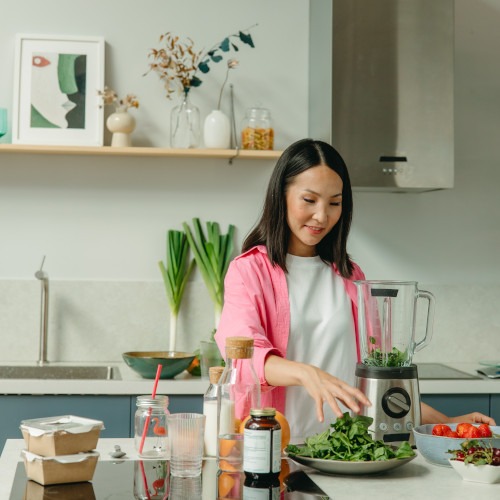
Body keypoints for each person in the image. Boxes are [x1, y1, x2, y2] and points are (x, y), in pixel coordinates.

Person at [215, 138, 495, 439]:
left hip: (346, 452)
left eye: (334, 203)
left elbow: (376, 384)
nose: (322, 216)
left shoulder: (349, 275)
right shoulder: (248, 271)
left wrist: (448, 424)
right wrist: (307, 374)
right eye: (309, 200)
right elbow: (243, 362)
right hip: (276, 452)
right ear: (280, 196)